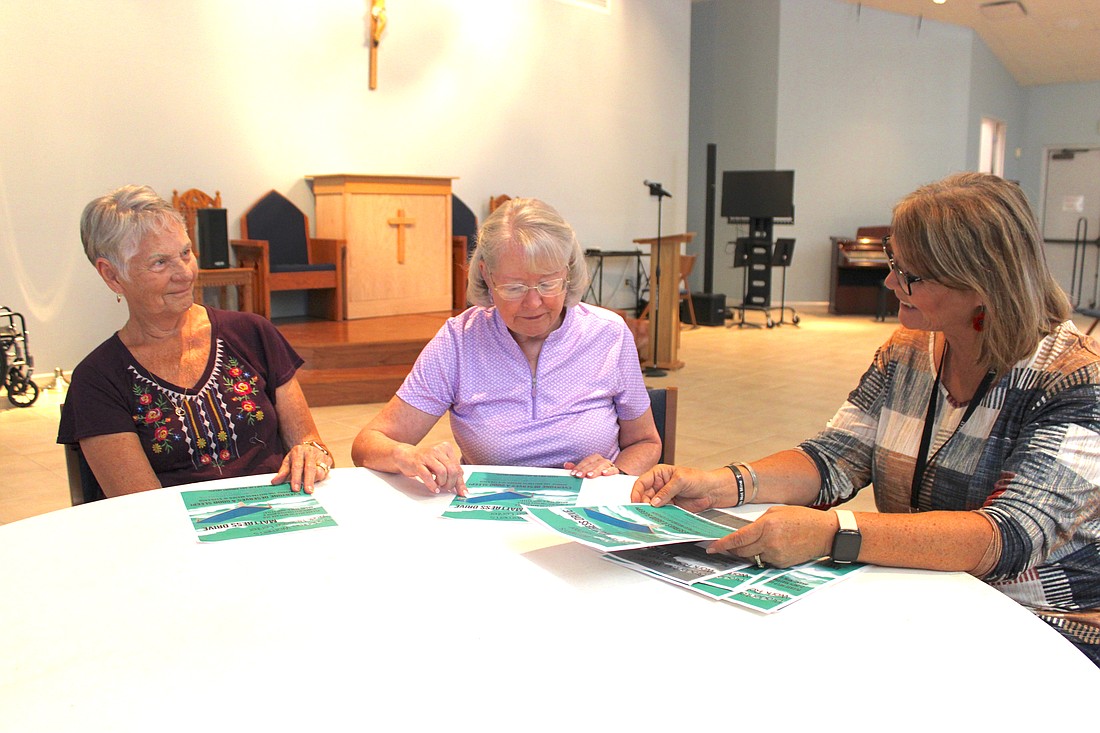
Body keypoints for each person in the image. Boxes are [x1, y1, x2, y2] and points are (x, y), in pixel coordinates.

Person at [632, 172, 1100, 666]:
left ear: (982, 284)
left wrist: (835, 533)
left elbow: (1009, 537)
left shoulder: (1074, 380)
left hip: (1044, 626)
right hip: (925, 595)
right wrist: (723, 483)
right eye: (894, 263)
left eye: (911, 275)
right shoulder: (909, 350)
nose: (890, 281)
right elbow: (835, 456)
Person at [352, 197, 661, 495]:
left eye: (548, 283)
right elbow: (368, 443)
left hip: (586, 512)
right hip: (494, 513)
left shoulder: (608, 334)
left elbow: (645, 442)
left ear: (567, 272)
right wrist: (407, 455)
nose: (533, 302)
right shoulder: (459, 341)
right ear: (487, 275)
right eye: (514, 287)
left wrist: (616, 472)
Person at [58, 185, 334, 496]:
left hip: (283, 519)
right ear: (111, 275)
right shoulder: (98, 381)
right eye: (160, 262)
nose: (186, 273)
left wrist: (312, 455)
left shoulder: (253, 334)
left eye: (186, 253)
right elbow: (141, 506)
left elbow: (311, 442)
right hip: (178, 535)